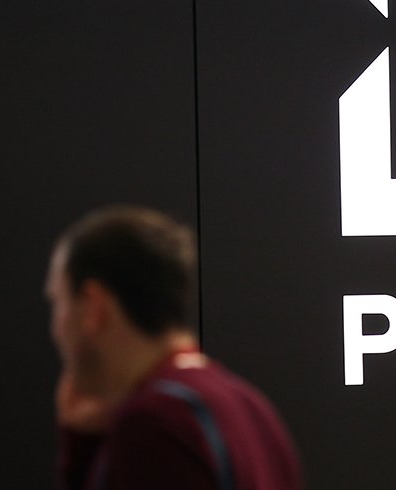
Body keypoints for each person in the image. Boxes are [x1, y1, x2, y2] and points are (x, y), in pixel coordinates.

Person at [45, 204, 302, 490]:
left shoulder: (155, 425)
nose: (56, 327)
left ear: (94, 307)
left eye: (58, 302)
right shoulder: (254, 409)